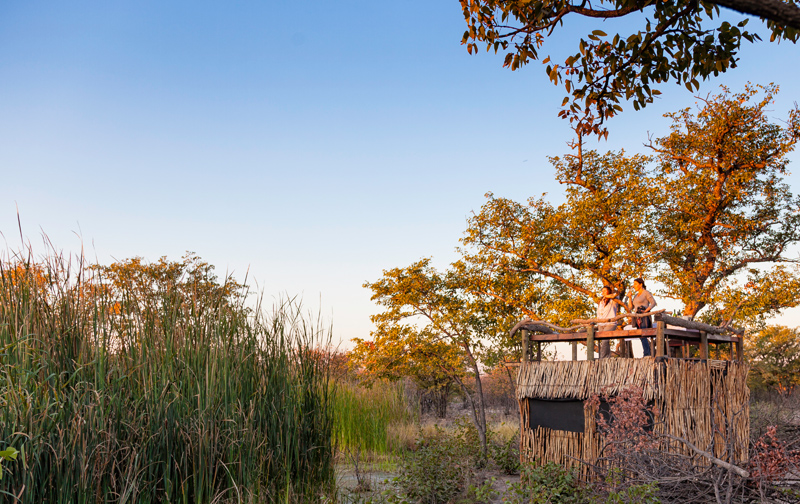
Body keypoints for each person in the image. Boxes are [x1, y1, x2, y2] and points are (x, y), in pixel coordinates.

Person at [626, 278, 657, 356]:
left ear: (641, 284)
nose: (634, 286)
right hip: (637, 317)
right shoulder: (636, 295)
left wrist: (646, 311)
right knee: (640, 335)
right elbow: (630, 307)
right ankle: (647, 352)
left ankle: (647, 354)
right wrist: (630, 297)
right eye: (633, 284)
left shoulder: (646, 293)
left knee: (643, 334)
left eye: (636, 284)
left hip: (644, 316)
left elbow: (653, 303)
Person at [596, 286, 618, 358]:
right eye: (602, 291)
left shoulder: (613, 300)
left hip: (610, 323)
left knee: (604, 340)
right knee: (605, 341)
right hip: (601, 324)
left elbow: (616, 294)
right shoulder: (601, 301)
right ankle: (607, 357)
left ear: (609, 291)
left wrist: (607, 296)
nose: (603, 292)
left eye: (605, 291)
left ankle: (602, 357)